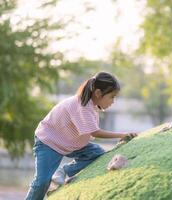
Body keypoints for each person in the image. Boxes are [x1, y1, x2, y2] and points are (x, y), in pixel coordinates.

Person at [26, 72, 137, 200]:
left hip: (70, 142)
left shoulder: (91, 106)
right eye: (112, 97)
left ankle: (63, 171)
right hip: (49, 143)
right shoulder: (82, 106)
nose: (113, 101)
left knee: (97, 154)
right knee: (42, 181)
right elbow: (95, 132)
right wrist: (121, 135)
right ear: (98, 93)